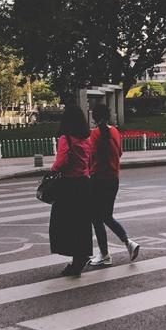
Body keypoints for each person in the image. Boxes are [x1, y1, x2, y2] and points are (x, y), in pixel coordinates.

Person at [88, 104, 139, 266]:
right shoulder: (115, 131)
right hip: (113, 179)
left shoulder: (94, 134)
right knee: (106, 216)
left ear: (93, 117)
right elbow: (120, 153)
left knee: (96, 217)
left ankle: (105, 254)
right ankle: (127, 242)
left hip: (98, 180)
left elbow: (90, 157)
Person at [48, 105, 93, 276]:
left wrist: (52, 170)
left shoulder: (65, 138)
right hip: (84, 183)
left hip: (68, 185)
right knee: (81, 224)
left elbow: (61, 160)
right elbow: (90, 161)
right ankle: (81, 256)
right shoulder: (86, 139)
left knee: (63, 223)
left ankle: (75, 259)